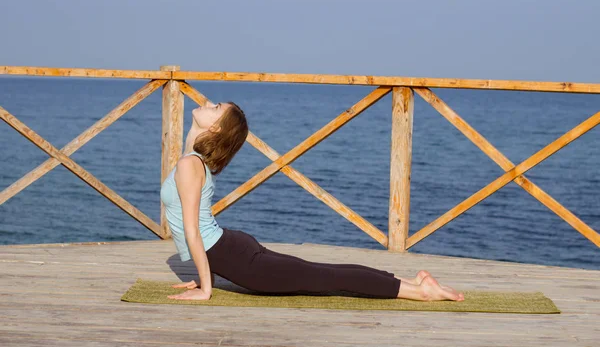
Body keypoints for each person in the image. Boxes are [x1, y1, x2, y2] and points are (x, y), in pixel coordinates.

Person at [160, 100, 464, 302]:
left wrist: (206, 288)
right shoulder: (192, 159)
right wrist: (204, 278)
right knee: (322, 272)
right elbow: (199, 227)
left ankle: (417, 291)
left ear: (214, 128)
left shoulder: (190, 164)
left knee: (326, 277)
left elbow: (193, 231)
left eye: (214, 107)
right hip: (231, 249)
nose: (206, 103)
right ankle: (411, 283)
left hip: (235, 256)